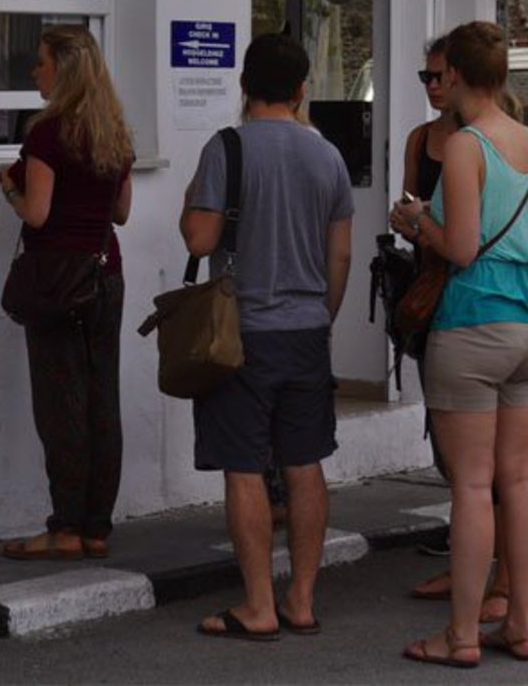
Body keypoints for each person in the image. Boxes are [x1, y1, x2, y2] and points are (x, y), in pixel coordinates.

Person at [392, 21, 528, 667]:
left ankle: (459, 636)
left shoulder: (465, 146)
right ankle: (519, 624)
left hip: (471, 321)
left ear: (455, 74)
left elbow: (457, 247)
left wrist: (416, 222)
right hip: (527, 324)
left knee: (472, 486)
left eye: (440, 74)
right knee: (518, 480)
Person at [181, 32, 353, 640]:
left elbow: (200, 241)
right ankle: (301, 600)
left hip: (242, 331)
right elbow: (340, 255)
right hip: (307, 329)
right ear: (302, 89)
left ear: (244, 86)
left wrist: (188, 206)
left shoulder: (226, 148)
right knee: (305, 465)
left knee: (244, 468)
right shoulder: (326, 155)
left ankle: (258, 605)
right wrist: (322, 315)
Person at [0, 25, 133, 561]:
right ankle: (97, 526)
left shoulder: (48, 135)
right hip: (106, 275)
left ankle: (65, 528)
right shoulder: (115, 132)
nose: (35, 71)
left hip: (58, 281)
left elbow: (38, 214)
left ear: (64, 69)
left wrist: (9, 187)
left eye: (41, 61)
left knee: (61, 406)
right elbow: (121, 212)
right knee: (103, 400)